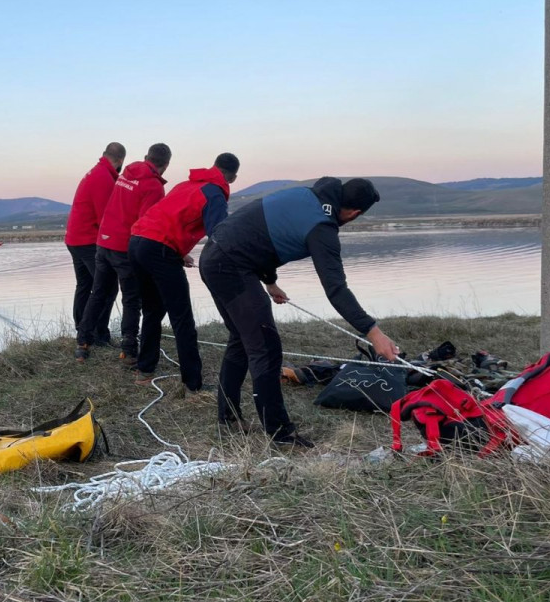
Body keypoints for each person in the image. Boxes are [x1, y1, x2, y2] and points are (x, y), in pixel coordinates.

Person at [198, 177, 399, 449]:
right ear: (355, 213)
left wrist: (269, 282)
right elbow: (336, 289)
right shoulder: (322, 228)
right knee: (266, 348)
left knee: (242, 339)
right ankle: (280, 435)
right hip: (230, 266)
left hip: (214, 255)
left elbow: (263, 234)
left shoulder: (309, 195)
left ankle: (229, 418)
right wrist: (373, 332)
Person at [128, 153, 240, 395]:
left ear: (214, 166)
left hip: (136, 242)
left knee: (152, 310)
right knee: (182, 318)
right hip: (157, 247)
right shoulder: (215, 193)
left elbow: (168, 219)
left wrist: (177, 252)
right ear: (232, 177)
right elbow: (220, 236)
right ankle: (193, 385)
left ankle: (144, 372)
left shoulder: (186, 185)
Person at [75, 143, 171, 363]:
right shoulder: (154, 187)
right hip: (122, 247)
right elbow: (145, 223)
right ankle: (128, 349)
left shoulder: (128, 172)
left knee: (98, 293)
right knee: (131, 299)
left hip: (103, 242)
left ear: (147, 157)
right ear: (166, 165)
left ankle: (82, 344)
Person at [64, 142, 126, 344]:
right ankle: (98, 334)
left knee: (85, 284)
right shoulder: (103, 178)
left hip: (75, 238)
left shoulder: (95, 172)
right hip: (87, 241)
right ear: (119, 161)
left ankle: (82, 328)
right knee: (107, 288)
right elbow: (105, 219)